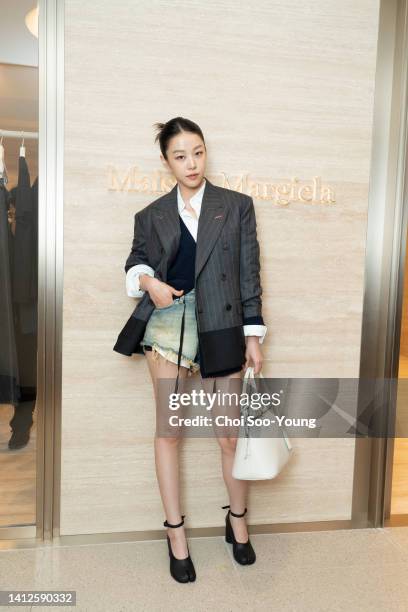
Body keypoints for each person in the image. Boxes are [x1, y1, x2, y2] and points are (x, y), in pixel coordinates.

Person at [113, 117, 267, 583]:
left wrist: (254, 335)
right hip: (169, 325)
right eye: (180, 155)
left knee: (229, 436)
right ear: (166, 161)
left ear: (205, 152)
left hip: (223, 322)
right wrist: (147, 282)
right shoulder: (151, 214)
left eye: (197, 152)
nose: (191, 163)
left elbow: (248, 273)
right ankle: (175, 533)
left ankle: (237, 521)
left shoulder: (236, 206)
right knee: (170, 432)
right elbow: (133, 262)